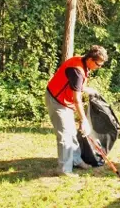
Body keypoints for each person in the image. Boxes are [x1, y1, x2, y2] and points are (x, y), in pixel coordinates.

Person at [44, 45, 109, 177]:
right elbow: (77, 99)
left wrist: (88, 89)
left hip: (65, 101)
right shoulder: (77, 70)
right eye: (98, 64)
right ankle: (64, 169)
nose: (99, 67)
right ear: (90, 59)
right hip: (56, 100)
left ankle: (76, 160)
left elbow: (77, 86)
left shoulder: (83, 64)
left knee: (72, 132)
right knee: (65, 135)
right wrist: (84, 120)